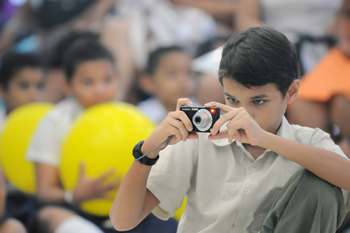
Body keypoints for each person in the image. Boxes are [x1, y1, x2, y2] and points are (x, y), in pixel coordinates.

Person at [110, 26, 350, 233]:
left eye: (258, 101)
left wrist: (266, 140)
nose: (242, 113)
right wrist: (149, 148)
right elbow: (123, 221)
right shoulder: (201, 138)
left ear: (291, 92)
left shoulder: (306, 141)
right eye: (233, 100)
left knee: (320, 186)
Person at [26, 39, 177, 233]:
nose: (100, 90)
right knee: (50, 216)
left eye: (108, 80)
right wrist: (75, 195)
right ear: (67, 85)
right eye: (87, 82)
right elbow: (44, 192)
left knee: (169, 225)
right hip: (76, 210)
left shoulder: (131, 117)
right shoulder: (54, 122)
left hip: (128, 211)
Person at [290, 0, 350, 141]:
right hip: (341, 56)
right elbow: (343, 14)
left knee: (341, 104)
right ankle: (323, 156)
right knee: (301, 104)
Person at [137, 46, 201, 125]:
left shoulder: (201, 113)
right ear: (149, 82)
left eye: (189, 73)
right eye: (171, 73)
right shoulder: (140, 116)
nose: (183, 80)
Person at [0, 51, 44, 130]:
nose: (33, 94)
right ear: (2, 90)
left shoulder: (51, 125)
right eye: (24, 86)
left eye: (39, 86)